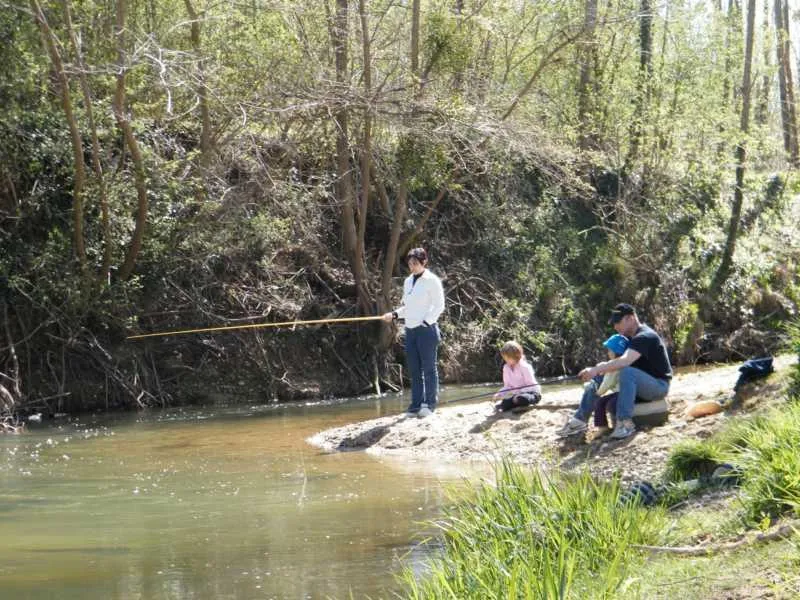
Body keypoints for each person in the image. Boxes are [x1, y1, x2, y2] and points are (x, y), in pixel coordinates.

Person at [569, 303, 672, 439]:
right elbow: (616, 364)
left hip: (658, 386)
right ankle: (579, 420)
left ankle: (625, 424)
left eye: (618, 322)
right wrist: (595, 372)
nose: (615, 326)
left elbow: (625, 361)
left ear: (631, 318)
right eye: (614, 323)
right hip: (639, 386)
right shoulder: (629, 339)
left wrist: (596, 369)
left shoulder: (645, 336)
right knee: (600, 377)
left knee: (627, 372)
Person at [382, 248, 445, 418]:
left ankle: (429, 404)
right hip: (410, 331)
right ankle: (415, 405)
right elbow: (408, 307)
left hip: (427, 331)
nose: (412, 267)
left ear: (424, 262)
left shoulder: (432, 280)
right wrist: (394, 314)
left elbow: (439, 306)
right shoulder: (408, 281)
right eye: (410, 264)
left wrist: (426, 322)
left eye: (415, 263)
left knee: (429, 369)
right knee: (414, 370)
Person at [556, 333, 628, 438]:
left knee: (598, 400)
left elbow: (607, 384)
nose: (608, 353)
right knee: (597, 394)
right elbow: (604, 370)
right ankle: (589, 423)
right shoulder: (619, 363)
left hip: (619, 393)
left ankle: (594, 425)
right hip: (619, 392)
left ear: (616, 352)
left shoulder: (614, 368)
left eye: (609, 350)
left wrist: (596, 392)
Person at [493, 341, 541, 412]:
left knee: (522, 398)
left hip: (532, 393)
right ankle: (515, 401)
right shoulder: (506, 368)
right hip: (517, 396)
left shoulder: (525, 367)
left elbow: (532, 386)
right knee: (504, 404)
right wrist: (499, 394)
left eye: (508, 358)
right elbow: (507, 386)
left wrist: (520, 392)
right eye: (504, 358)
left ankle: (520, 401)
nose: (505, 360)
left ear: (516, 356)